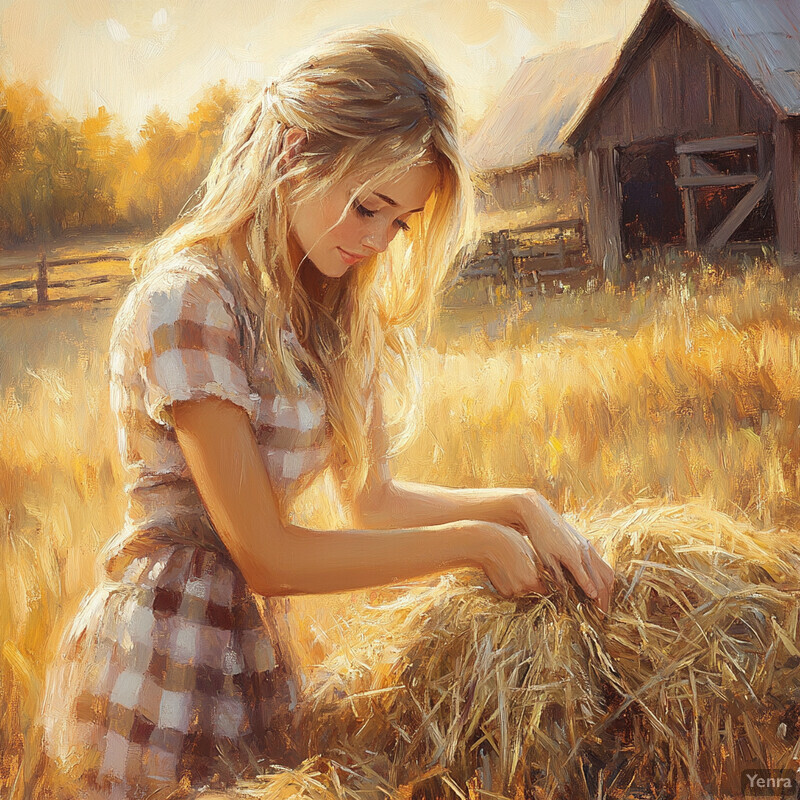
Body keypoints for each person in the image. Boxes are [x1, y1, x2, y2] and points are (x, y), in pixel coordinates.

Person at [37, 27, 615, 799]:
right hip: (160, 661)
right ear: (293, 153)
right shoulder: (189, 301)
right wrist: (473, 544)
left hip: (254, 661)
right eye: (368, 208)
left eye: (398, 223)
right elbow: (267, 555)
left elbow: (371, 501)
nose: (378, 241)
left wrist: (518, 506)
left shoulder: (337, 317)